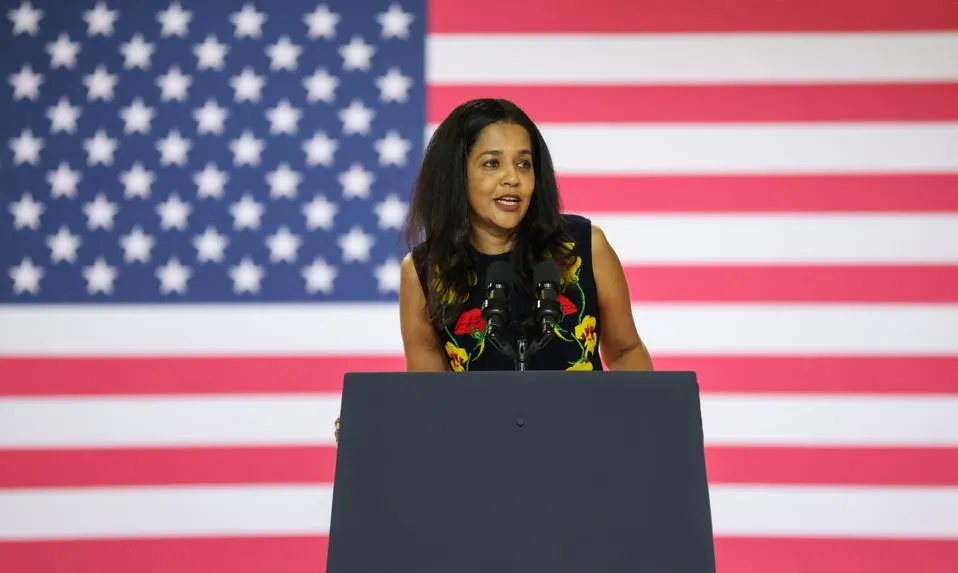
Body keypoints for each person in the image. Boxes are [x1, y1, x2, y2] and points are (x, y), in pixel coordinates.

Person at [397, 98, 654, 373]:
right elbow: (429, 392)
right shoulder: (424, 271)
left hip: (585, 404)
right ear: (456, 174)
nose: (512, 178)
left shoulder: (584, 246)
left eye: (523, 163)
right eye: (492, 163)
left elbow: (625, 351)